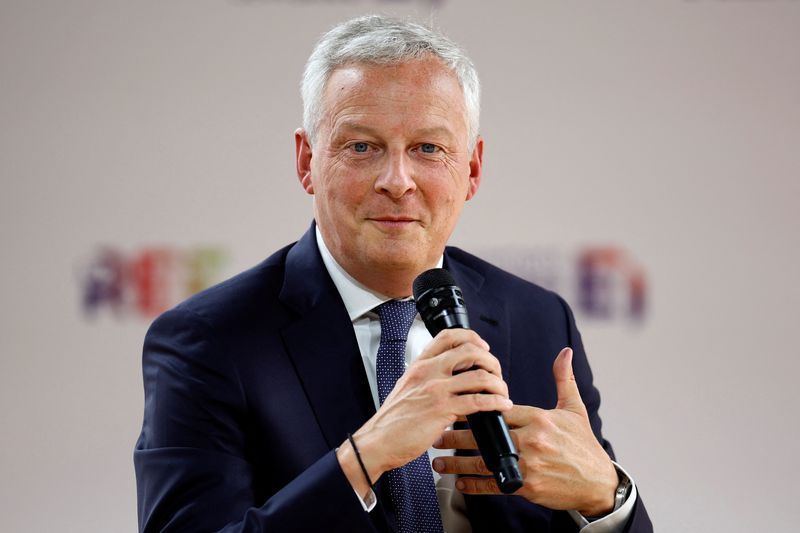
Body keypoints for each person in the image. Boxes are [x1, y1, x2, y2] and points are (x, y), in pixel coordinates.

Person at [134, 15, 653, 533]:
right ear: (307, 161)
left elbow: (596, 502)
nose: (397, 181)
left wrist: (606, 495)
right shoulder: (207, 340)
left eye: (428, 149)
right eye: (362, 147)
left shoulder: (539, 319)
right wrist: (365, 457)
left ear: (471, 169)